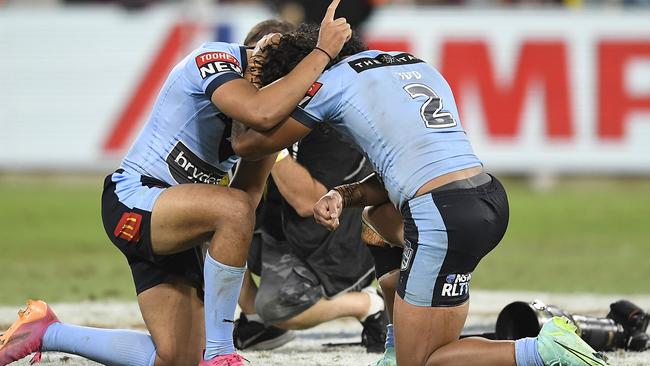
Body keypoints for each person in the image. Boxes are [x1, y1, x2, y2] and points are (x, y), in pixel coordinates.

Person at [230, 24, 610, 366]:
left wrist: (244, 92)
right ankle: (398, 346)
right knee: (377, 219)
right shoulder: (413, 63)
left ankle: (546, 350)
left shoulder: (329, 84)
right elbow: (411, 169)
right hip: (485, 197)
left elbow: (251, 141)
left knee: (426, 362)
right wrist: (345, 194)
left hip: (442, 218)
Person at [0, 5, 352, 366]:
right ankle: (222, 353)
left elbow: (247, 191)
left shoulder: (271, 107)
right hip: (135, 199)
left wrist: (217, 253)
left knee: (176, 358)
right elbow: (257, 115)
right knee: (233, 209)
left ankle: (46, 331)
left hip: (180, 221)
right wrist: (323, 52)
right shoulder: (213, 59)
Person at [234, 123, 388, 353]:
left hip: (336, 235)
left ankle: (369, 304)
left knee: (276, 307)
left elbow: (310, 202)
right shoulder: (282, 108)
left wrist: (268, 143)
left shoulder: (335, 120)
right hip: (281, 224)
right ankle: (256, 321)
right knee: (209, 222)